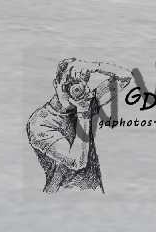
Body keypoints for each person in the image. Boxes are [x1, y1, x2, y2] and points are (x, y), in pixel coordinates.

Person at [25, 58, 133, 193]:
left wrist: (94, 66)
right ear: (56, 84)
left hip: (95, 194)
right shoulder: (40, 122)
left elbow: (125, 77)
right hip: (60, 196)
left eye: (79, 84)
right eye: (68, 84)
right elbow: (77, 162)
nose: (73, 90)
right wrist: (83, 112)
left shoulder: (86, 102)